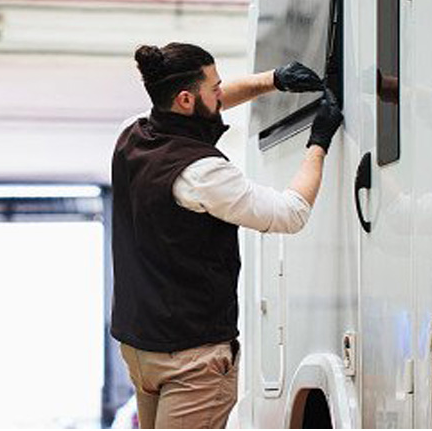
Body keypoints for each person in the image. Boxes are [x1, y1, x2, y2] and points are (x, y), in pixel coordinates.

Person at [110, 42, 343, 428]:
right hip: (191, 361)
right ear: (185, 99)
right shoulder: (202, 173)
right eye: (215, 88)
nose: (222, 93)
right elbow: (291, 213)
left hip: (141, 350)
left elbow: (209, 102)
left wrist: (273, 81)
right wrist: (318, 143)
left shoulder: (131, 134)